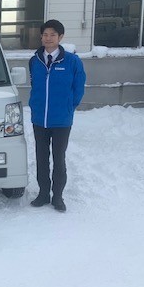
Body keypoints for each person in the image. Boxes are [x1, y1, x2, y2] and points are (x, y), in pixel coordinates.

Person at [28, 19, 86, 212]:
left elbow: (78, 88)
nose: (48, 38)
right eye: (45, 34)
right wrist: (35, 107)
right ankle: (43, 193)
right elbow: (35, 86)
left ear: (60, 37)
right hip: (39, 120)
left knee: (58, 158)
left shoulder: (72, 61)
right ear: (41, 37)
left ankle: (58, 196)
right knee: (41, 158)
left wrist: (69, 107)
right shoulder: (34, 60)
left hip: (61, 120)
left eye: (53, 34)